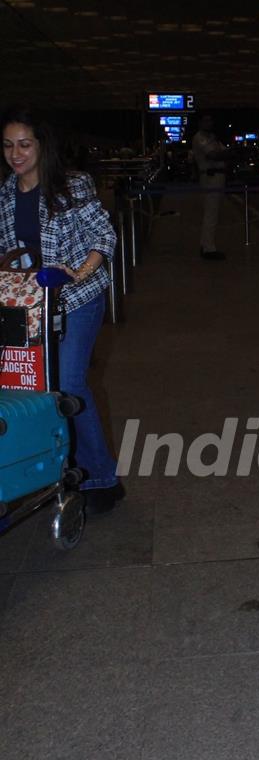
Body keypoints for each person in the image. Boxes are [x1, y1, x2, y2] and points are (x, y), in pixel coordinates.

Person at [0, 107, 122, 514]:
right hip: (31, 308)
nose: (16, 153)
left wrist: (76, 273)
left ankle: (101, 478)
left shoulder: (72, 185)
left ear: (41, 146)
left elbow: (103, 237)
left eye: (24, 144)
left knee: (69, 384)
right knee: (34, 390)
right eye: (8, 145)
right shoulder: (4, 193)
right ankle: (50, 469)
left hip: (79, 299)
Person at [192, 114, 231, 260]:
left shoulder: (213, 137)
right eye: (206, 120)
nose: (209, 123)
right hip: (210, 176)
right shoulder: (199, 137)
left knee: (213, 213)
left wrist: (224, 153)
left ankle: (206, 245)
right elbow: (213, 155)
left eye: (211, 120)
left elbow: (223, 152)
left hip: (217, 176)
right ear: (200, 123)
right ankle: (208, 248)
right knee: (211, 213)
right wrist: (225, 154)